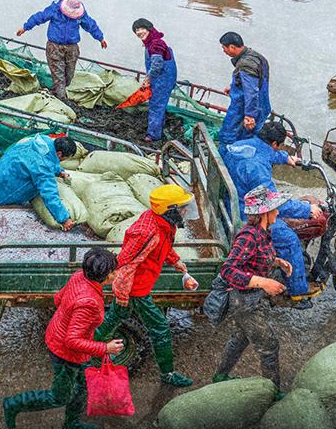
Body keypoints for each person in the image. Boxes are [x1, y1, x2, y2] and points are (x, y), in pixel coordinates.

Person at [2, 249, 123, 429]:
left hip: (63, 339)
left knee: (83, 385)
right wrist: (105, 348)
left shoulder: (79, 276)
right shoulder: (89, 301)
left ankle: (72, 422)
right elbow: (72, 341)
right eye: (113, 272)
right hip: (66, 354)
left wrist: (68, 316)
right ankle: (14, 403)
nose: (116, 274)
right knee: (60, 396)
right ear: (105, 276)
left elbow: (58, 299)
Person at [94, 184, 198, 388]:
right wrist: (120, 287)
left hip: (139, 287)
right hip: (135, 289)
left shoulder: (164, 225)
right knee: (160, 328)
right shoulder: (147, 232)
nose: (186, 211)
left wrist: (176, 261)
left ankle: (79, 350)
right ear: (170, 211)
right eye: (182, 208)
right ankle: (167, 374)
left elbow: (161, 248)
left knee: (115, 318)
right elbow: (124, 260)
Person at [224, 122, 319, 304]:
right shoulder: (258, 168)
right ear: (275, 144)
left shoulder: (242, 145)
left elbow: (263, 153)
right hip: (248, 212)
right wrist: (307, 209)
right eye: (279, 147)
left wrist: (285, 158)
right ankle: (298, 293)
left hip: (232, 202)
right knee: (290, 240)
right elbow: (273, 203)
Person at [212, 186, 291, 392]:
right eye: (274, 209)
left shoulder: (263, 232)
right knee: (269, 346)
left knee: (240, 338)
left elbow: (257, 259)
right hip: (243, 302)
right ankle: (273, 392)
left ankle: (220, 375)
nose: (278, 212)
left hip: (253, 298)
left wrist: (278, 262)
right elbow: (229, 270)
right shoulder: (248, 236)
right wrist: (264, 282)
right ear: (264, 213)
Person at [16, 0, 106, 99]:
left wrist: (100, 38)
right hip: (55, 47)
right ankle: (62, 100)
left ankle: (56, 92)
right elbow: (40, 17)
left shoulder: (80, 14)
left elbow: (90, 25)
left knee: (69, 75)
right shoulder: (55, 8)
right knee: (59, 78)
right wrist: (25, 27)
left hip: (72, 48)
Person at [0, 134, 79, 231]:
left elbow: (46, 159)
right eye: (64, 159)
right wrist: (64, 219)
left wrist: (58, 171)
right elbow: (50, 194)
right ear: (59, 154)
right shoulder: (43, 167)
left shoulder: (42, 141)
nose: (62, 161)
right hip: (4, 193)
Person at [217, 32, 271, 153]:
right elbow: (255, 81)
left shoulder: (245, 64)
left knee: (229, 135)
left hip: (246, 108)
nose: (223, 51)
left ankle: (223, 160)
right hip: (261, 106)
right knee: (249, 138)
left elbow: (251, 91)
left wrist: (249, 116)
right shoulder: (256, 56)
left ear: (232, 47)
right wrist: (233, 86)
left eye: (224, 48)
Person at [132, 18, 177, 143]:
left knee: (156, 106)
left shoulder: (156, 44)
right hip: (163, 80)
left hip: (162, 81)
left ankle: (153, 135)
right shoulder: (152, 42)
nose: (139, 32)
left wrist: (148, 78)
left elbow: (157, 65)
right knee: (159, 105)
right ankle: (158, 128)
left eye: (141, 28)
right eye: (136, 30)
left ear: (149, 28)